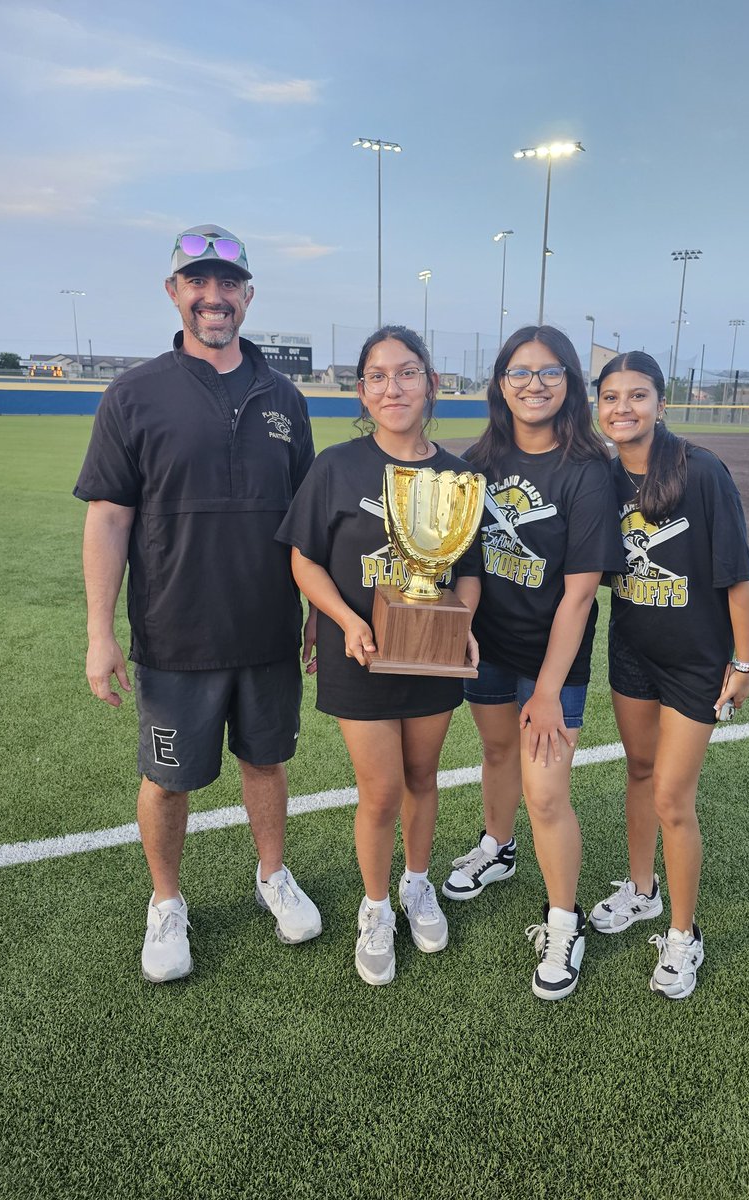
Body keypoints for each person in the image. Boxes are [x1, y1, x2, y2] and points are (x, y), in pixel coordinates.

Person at [74, 224, 321, 984]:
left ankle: (271, 876)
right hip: (174, 633)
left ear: (247, 294)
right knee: (169, 779)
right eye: (197, 282)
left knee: (267, 763)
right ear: (175, 291)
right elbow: (109, 516)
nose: (214, 297)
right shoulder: (135, 393)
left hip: (269, 630)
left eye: (228, 284)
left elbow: (306, 519)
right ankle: (166, 901)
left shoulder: (284, 397)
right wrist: (98, 631)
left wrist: (315, 610)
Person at [277, 325, 481, 986]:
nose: (393, 387)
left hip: (429, 655)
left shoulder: (456, 476)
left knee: (424, 777)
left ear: (432, 384)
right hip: (358, 654)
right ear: (362, 391)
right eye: (378, 376)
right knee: (382, 790)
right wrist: (342, 621)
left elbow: (469, 570)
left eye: (407, 372)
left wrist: (460, 622)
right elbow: (303, 558)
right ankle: (374, 907)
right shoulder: (337, 467)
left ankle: (416, 886)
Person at [440, 326, 625, 1001]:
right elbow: (459, 561)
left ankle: (563, 919)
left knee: (545, 793)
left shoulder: (587, 470)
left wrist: (547, 690)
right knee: (495, 755)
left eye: (549, 372)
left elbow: (579, 595)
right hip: (487, 647)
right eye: (520, 372)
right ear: (500, 382)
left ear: (571, 383)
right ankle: (498, 846)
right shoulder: (477, 460)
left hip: (554, 658)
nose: (534, 383)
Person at [589, 351, 749, 1000]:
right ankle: (642, 891)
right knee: (637, 770)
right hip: (632, 651)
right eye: (610, 397)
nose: (622, 408)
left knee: (670, 797)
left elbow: (738, 575)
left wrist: (742, 661)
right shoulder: (604, 477)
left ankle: (684, 937)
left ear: (662, 402)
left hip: (696, 661)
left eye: (637, 395)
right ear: (598, 407)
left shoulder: (702, 472)